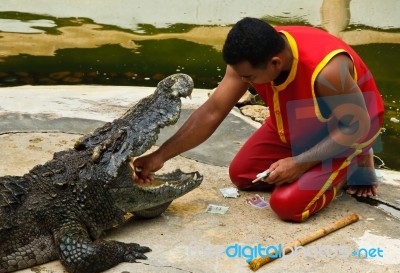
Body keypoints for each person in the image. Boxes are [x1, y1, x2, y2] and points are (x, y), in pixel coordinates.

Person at [133, 17, 384, 222]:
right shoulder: (253, 55)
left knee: (287, 206)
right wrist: (161, 155)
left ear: (275, 63)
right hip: (296, 123)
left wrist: (300, 163)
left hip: (350, 128)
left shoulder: (328, 71)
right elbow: (212, 111)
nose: (244, 82)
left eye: (249, 77)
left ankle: (355, 161)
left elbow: (355, 126)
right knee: (243, 175)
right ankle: (316, 160)